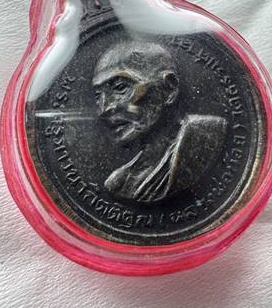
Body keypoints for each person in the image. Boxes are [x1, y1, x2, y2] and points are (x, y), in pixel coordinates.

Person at [92, 39, 227, 203]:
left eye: (120, 88)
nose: (103, 109)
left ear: (169, 89)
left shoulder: (209, 137)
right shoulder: (119, 183)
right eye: (98, 96)